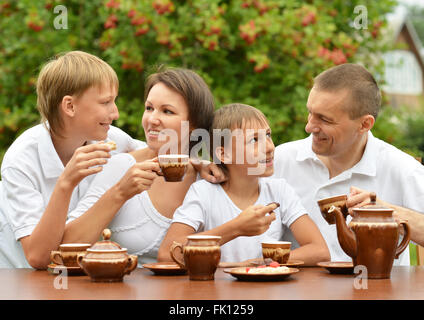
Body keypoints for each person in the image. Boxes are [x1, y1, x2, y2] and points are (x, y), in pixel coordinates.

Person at [0, 51, 146, 269]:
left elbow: (154, 153)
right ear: (69, 106)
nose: (115, 112)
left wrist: (204, 164)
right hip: (22, 281)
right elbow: (39, 258)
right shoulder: (21, 160)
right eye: (106, 102)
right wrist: (66, 182)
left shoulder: (110, 139)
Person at [271, 63, 424, 264]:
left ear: (364, 124)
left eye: (324, 119)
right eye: (311, 113)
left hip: (376, 294)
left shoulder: (402, 169)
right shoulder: (281, 159)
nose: (309, 127)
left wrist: (387, 213)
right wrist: (218, 170)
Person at [63, 67, 215, 266]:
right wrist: (120, 192)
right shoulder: (122, 167)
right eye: (149, 108)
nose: (152, 119)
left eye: (167, 111)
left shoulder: (208, 177)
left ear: (194, 125)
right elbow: (68, 247)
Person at [158, 103, 330, 265]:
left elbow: (319, 251)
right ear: (223, 154)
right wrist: (236, 228)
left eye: (268, 135)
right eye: (254, 140)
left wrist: (258, 264)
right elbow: (167, 254)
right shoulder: (203, 192)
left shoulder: (279, 190)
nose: (270, 147)